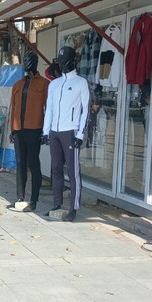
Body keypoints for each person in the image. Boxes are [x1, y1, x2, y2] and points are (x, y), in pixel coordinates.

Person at [43, 46, 90, 222]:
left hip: (70, 131)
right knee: (55, 168)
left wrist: (80, 134)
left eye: (63, 62)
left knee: (73, 171)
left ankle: (74, 207)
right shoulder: (54, 84)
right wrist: (45, 131)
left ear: (71, 62)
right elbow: (49, 109)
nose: (61, 66)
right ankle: (57, 204)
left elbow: (86, 110)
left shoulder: (81, 82)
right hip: (54, 131)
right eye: (59, 63)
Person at [7, 51, 50, 212]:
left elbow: (48, 109)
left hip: (34, 129)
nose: (27, 63)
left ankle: (34, 199)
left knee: (33, 163)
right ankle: (20, 197)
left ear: (36, 62)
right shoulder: (17, 85)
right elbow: (14, 108)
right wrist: (12, 129)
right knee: (20, 164)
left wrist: (45, 131)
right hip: (19, 129)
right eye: (25, 60)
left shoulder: (44, 84)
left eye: (30, 60)